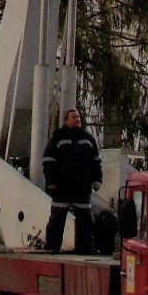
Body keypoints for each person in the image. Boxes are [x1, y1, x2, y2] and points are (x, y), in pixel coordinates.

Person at [41, 108, 102, 253]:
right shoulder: (57, 138)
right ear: (66, 120)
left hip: (82, 187)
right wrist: (51, 181)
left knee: (85, 219)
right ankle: (52, 246)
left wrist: (97, 179)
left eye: (79, 118)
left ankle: (86, 247)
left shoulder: (88, 139)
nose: (77, 120)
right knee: (57, 218)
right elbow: (49, 161)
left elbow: (96, 161)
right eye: (74, 117)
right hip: (62, 187)